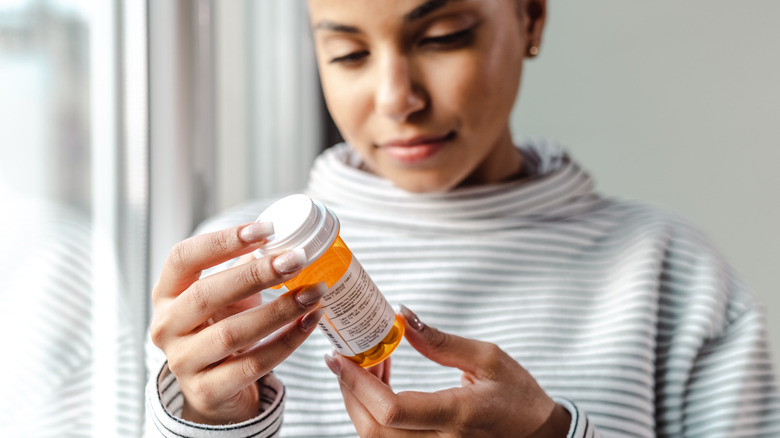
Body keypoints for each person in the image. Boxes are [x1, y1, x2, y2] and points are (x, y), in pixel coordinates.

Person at [145, 0, 780, 436]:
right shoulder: (226, 282)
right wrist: (211, 423)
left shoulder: (671, 271)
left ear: (530, 14)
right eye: (348, 54)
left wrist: (552, 436)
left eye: (442, 38)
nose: (398, 99)